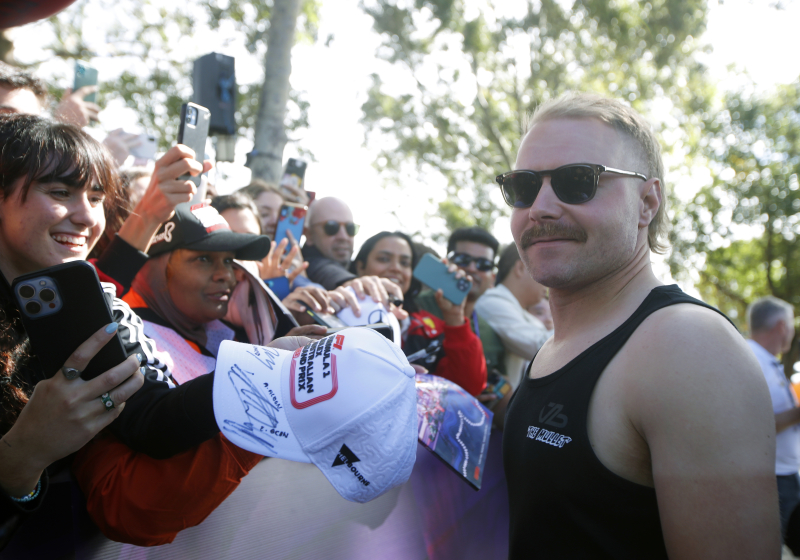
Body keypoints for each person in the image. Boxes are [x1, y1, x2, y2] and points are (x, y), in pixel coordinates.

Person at [500, 91, 778, 557]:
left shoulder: (688, 347)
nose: (541, 207)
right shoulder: (558, 343)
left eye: (578, 181)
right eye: (523, 187)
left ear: (647, 202)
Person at [351, 231, 486, 396]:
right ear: (360, 266)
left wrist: (455, 317)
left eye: (405, 263)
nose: (396, 268)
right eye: (384, 259)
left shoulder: (428, 328)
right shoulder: (336, 307)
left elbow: (469, 387)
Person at [414, 227, 506, 377]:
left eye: (483, 264)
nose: (472, 268)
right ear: (447, 262)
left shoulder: (492, 335)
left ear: (492, 279)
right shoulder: (413, 307)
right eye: (463, 260)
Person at [746, 296, 799, 542]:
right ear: (781, 326)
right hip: (772, 479)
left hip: (785, 476)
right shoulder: (751, 362)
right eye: (791, 324)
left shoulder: (766, 362)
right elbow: (751, 425)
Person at [475, 243, 552, 390]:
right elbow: (542, 348)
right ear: (521, 268)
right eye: (546, 268)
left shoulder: (519, 311)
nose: (550, 282)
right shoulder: (492, 302)